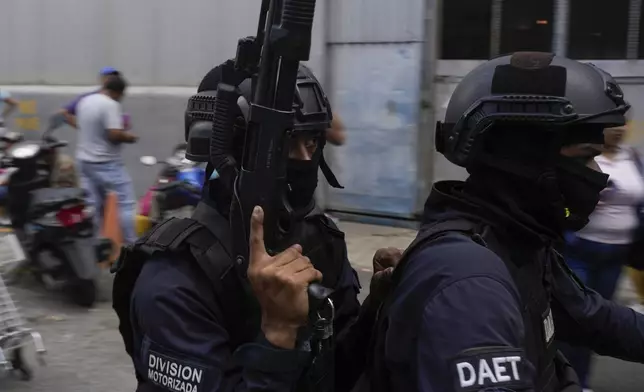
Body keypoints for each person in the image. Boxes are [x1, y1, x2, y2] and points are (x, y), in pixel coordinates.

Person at [360, 51, 644, 392]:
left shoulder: (518, 244)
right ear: (525, 160)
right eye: (585, 156)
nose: (599, 175)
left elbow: (593, 318)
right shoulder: (469, 282)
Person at [112, 60, 394, 392]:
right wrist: (277, 333)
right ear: (230, 152)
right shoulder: (174, 280)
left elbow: (337, 371)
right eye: (287, 145)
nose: (305, 160)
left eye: (312, 142)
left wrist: (376, 308)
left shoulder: (320, 240)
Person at [558, 118, 644, 390]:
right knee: (576, 320)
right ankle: (566, 380)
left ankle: (580, 382)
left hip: (616, 256)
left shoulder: (632, 159)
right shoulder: (582, 155)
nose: (618, 130)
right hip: (580, 250)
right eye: (611, 125)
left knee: (597, 325)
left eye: (621, 124)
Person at [76, 75, 138, 245]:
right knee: (126, 204)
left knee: (93, 205)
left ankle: (95, 245)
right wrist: (130, 137)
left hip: (84, 161)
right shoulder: (110, 104)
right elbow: (113, 134)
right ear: (118, 93)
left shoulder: (85, 101)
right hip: (106, 162)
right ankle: (133, 246)